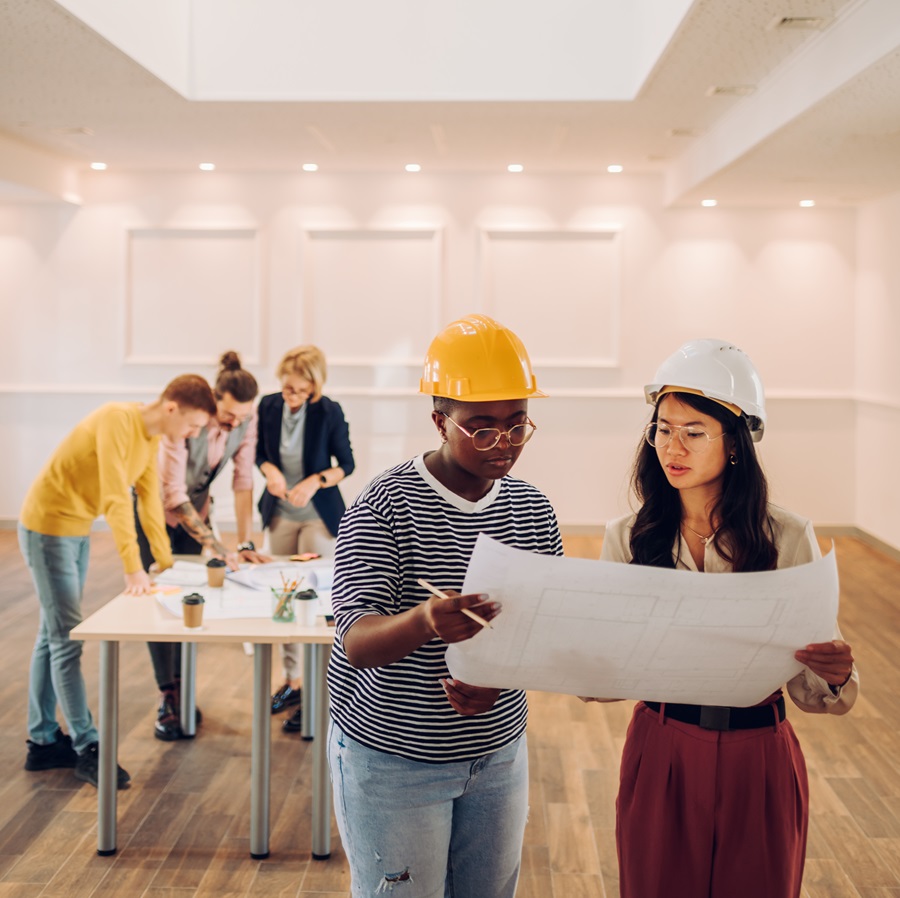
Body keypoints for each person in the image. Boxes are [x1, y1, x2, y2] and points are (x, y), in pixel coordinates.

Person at [593, 339, 859, 898]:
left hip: (759, 757)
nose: (673, 446)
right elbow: (603, 677)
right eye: (663, 428)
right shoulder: (627, 537)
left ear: (735, 443)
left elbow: (815, 692)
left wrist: (834, 673)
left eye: (694, 431)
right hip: (660, 748)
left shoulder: (786, 537)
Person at [327, 314, 563, 898]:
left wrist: (503, 683)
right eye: (481, 429)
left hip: (497, 753)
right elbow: (354, 640)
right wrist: (425, 621)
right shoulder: (383, 505)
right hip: (393, 761)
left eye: (516, 426)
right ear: (439, 421)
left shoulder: (533, 510)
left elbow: (545, 635)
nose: (503, 444)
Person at [20, 375, 216, 789]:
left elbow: (147, 502)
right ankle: (87, 747)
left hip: (74, 530)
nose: (194, 434)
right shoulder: (116, 419)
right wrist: (132, 568)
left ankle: (41, 741)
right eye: (193, 425)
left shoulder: (150, 440)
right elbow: (113, 497)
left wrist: (165, 563)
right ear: (171, 409)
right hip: (47, 528)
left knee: (51, 633)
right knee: (66, 639)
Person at [136, 351, 272, 741]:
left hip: (197, 513)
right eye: (228, 417)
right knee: (160, 601)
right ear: (213, 402)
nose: (234, 424)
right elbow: (172, 493)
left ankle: (185, 689)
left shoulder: (246, 418)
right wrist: (216, 545)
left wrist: (244, 542)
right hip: (155, 518)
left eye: (242, 418)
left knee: (190, 599)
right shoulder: (186, 424)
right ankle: (169, 695)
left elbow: (243, 481)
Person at [256, 345, 355, 731]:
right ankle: (292, 682)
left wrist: (315, 481)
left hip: (318, 515)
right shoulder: (267, 406)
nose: (290, 396)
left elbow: (346, 464)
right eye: (286, 389)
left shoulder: (329, 411)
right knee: (283, 599)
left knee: (312, 599)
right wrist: (270, 471)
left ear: (314, 385)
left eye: (298, 390)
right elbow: (260, 454)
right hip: (280, 511)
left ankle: (319, 692)